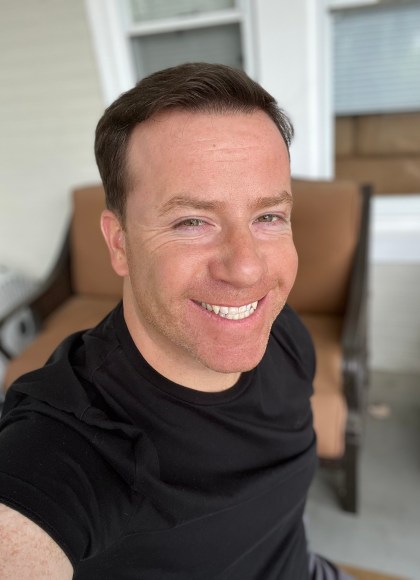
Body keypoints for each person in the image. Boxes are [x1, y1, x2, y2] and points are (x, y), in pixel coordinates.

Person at [0, 63, 352, 579]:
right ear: (119, 243)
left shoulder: (282, 332)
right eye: (192, 221)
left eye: (268, 216)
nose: (247, 269)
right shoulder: (70, 442)